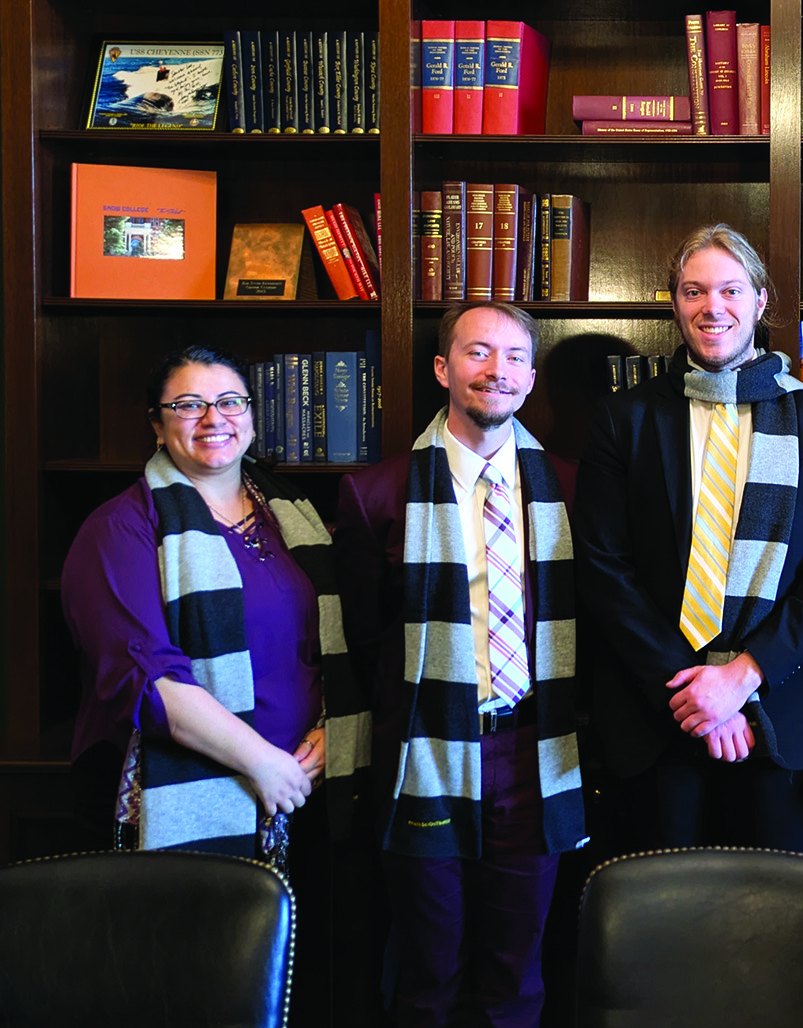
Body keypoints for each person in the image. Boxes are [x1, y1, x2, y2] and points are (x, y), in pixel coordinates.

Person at [61, 344, 364, 1023]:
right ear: (156, 422)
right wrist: (261, 763)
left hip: (307, 790)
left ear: (251, 418)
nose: (212, 419)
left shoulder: (294, 514)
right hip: (195, 795)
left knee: (296, 990)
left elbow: (332, 645)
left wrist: (326, 729)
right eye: (187, 404)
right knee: (197, 989)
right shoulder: (121, 527)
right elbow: (140, 679)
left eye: (229, 402)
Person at [334, 301, 585, 1028]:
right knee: (427, 975)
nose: (495, 371)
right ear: (444, 369)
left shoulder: (572, 488)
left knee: (517, 978)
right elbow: (365, 638)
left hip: (536, 753)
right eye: (477, 354)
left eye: (512, 358)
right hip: (427, 753)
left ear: (531, 378)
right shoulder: (373, 493)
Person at [573, 224, 803, 852]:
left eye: (730, 290)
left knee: (770, 923)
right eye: (693, 291)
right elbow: (602, 568)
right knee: (658, 928)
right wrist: (694, 690)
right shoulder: (628, 417)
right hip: (655, 716)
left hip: (778, 713)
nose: (711, 307)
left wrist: (743, 677)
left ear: (759, 301)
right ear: (674, 303)